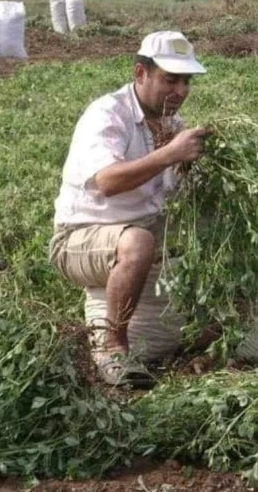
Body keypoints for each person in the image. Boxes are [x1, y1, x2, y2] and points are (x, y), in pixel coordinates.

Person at [49, 31, 209, 387]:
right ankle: (114, 349)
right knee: (137, 242)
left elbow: (170, 193)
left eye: (187, 82)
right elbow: (108, 181)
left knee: (212, 230)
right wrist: (169, 154)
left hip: (142, 228)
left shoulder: (172, 126)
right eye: (170, 79)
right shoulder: (108, 114)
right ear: (140, 73)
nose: (180, 91)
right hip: (80, 239)